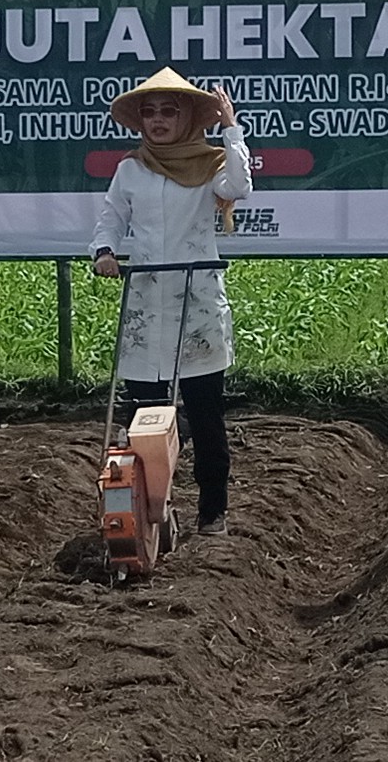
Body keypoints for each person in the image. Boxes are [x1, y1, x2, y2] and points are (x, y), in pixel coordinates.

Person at [90, 68, 252, 537]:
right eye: (150, 112)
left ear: (188, 119)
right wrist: (103, 251)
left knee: (204, 413)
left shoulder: (213, 164)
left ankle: (212, 509)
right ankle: (146, 506)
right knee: (144, 415)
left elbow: (239, 188)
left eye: (169, 111)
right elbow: (111, 219)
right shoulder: (130, 170)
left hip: (195, 302)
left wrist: (231, 127)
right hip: (145, 304)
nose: (158, 120)